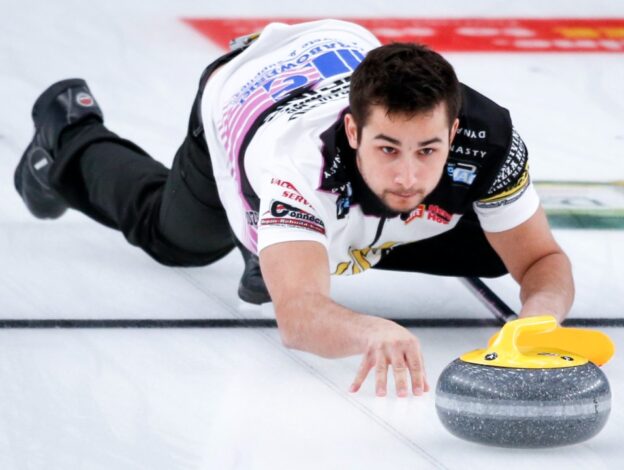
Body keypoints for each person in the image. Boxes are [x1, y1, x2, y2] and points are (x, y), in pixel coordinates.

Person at [14, 19, 574, 397]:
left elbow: (541, 260)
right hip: (241, 91)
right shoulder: (296, 164)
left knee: (490, 247)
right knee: (178, 240)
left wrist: (539, 317)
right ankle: (68, 137)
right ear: (353, 131)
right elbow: (299, 319)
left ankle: (301, 244)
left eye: (428, 149)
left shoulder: (490, 138)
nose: (408, 176)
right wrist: (367, 331)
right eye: (387, 148)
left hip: (335, 53)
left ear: (454, 130)